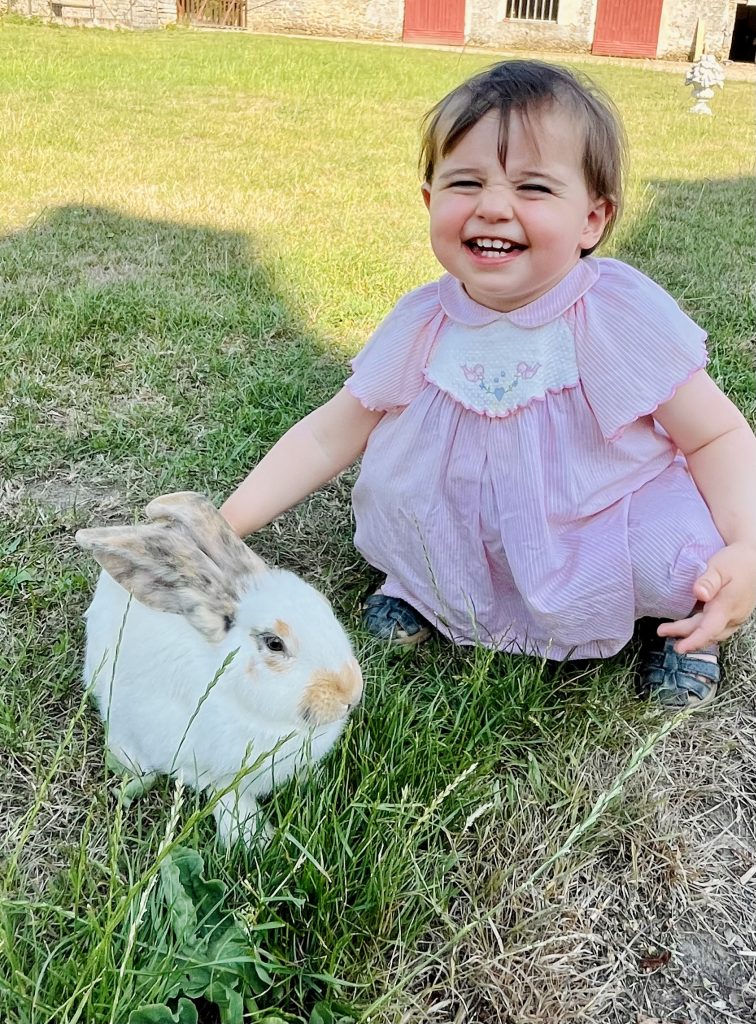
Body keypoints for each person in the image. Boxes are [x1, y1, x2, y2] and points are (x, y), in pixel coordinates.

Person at [221, 59, 756, 709]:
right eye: (465, 181)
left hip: (591, 517)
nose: (494, 207)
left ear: (593, 218)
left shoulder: (616, 315)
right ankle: (421, 591)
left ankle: (684, 634)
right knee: (401, 509)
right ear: (429, 201)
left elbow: (716, 436)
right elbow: (327, 437)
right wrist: (223, 527)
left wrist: (748, 543)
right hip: (464, 519)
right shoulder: (423, 321)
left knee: (677, 560)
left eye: (533, 187)